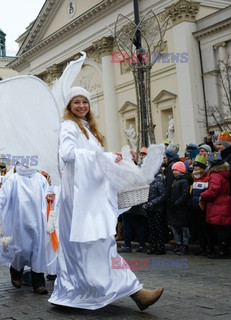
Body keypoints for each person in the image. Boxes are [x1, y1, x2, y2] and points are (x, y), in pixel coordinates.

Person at [48, 87, 163, 311]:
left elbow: (96, 161)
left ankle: (87, 291)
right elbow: (68, 154)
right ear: (69, 107)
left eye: (85, 102)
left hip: (93, 197)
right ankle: (133, 293)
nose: (81, 106)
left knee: (101, 244)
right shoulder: (69, 126)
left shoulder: (89, 130)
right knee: (94, 245)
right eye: (76, 102)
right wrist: (105, 157)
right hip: (79, 199)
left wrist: (114, 161)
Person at [0, 164, 55, 295]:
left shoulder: (40, 179)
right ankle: (16, 270)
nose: (26, 165)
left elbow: (47, 191)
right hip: (20, 220)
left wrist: (49, 196)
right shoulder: (14, 179)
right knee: (22, 249)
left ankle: (39, 283)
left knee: (37, 249)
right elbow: (3, 195)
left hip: (38, 220)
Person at [200, 157, 231, 258]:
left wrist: (202, 195)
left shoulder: (215, 175)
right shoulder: (224, 173)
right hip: (224, 202)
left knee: (220, 228)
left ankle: (222, 251)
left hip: (217, 203)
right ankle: (225, 249)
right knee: (223, 228)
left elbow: (214, 190)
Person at [167, 162, 192, 255]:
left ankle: (185, 245)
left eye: (176, 170)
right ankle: (178, 243)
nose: (174, 172)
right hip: (174, 208)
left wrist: (177, 203)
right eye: (173, 170)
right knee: (174, 227)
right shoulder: (175, 181)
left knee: (183, 227)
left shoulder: (184, 181)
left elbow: (185, 195)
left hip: (181, 209)